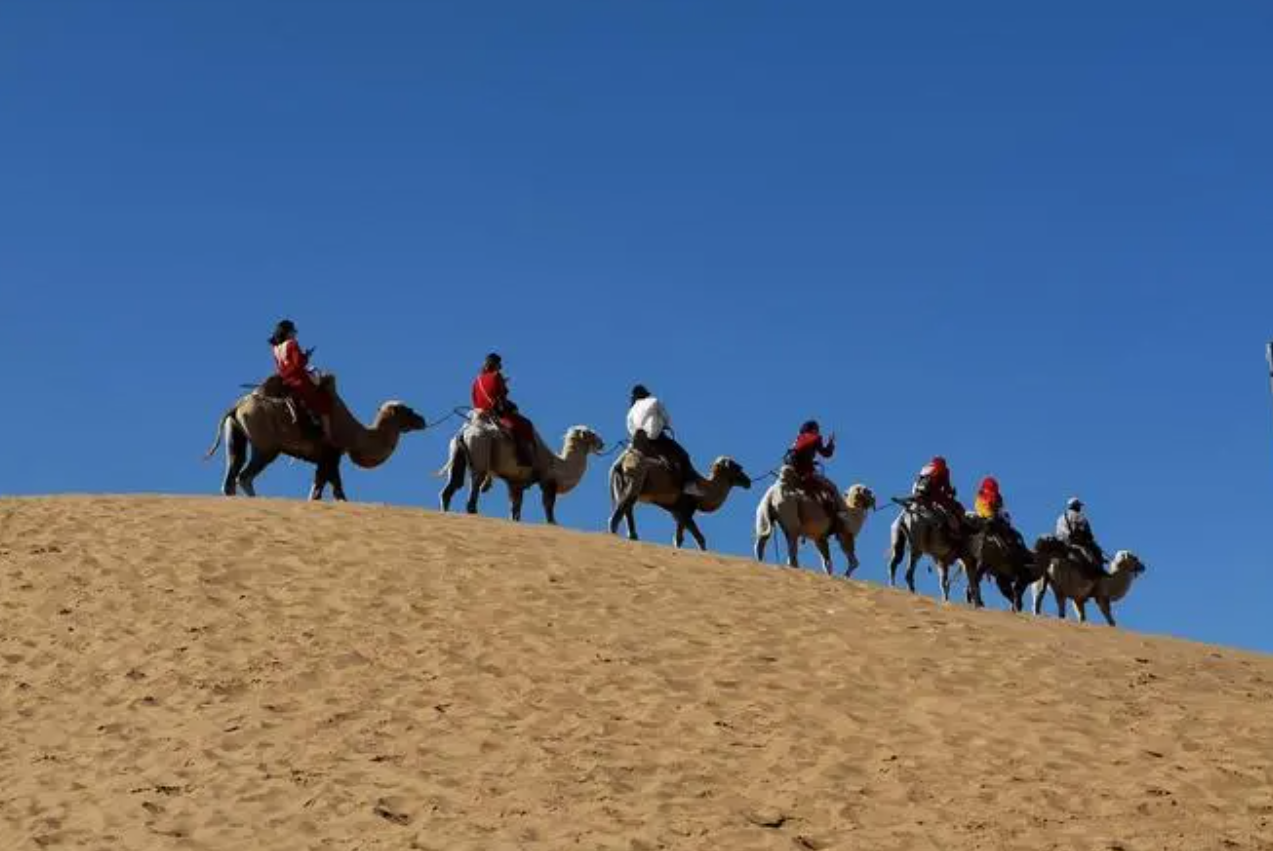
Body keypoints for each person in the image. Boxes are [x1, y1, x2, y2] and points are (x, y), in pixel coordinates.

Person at [626, 385, 704, 496]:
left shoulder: (630, 412)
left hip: (638, 442)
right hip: (655, 437)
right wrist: (667, 425)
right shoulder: (653, 401)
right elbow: (666, 417)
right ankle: (689, 485)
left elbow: (630, 428)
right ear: (645, 394)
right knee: (683, 455)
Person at [471, 352, 539, 471]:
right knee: (524, 425)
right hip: (496, 414)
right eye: (499, 364)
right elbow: (502, 397)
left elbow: (474, 399)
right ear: (496, 365)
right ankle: (523, 458)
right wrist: (512, 406)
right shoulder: (497, 376)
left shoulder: (477, 380)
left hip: (480, 414)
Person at [269, 319, 333, 442]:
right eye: (294, 331)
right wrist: (306, 357)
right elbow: (298, 364)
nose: (295, 333)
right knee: (325, 401)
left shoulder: (275, 348)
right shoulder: (292, 343)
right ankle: (328, 436)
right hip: (298, 380)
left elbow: (279, 367)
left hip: (284, 380)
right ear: (288, 333)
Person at [784, 420, 842, 515]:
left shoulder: (799, 438)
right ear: (813, 429)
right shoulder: (816, 437)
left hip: (789, 465)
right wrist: (831, 442)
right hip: (803, 468)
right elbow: (826, 453)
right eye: (817, 429)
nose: (819, 431)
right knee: (824, 486)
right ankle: (828, 509)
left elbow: (797, 452)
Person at [911, 456, 964, 536]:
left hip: (927, 494)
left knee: (951, 508)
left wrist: (950, 492)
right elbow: (945, 487)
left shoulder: (928, 470)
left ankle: (953, 529)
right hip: (932, 495)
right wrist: (950, 493)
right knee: (952, 510)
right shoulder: (937, 471)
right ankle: (955, 532)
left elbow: (946, 486)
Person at [975, 476, 1027, 550]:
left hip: (995, 520)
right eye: (989, 489)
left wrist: (1002, 516)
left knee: (1014, 536)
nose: (990, 492)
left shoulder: (996, 497)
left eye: (993, 489)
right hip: (988, 520)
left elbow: (1000, 511)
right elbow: (982, 509)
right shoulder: (981, 496)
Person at [1056, 497, 1105, 569]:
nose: (1080, 508)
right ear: (1076, 506)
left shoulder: (1060, 518)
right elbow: (1088, 534)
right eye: (1079, 506)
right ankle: (1099, 570)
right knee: (1097, 550)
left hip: (1062, 543)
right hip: (1076, 543)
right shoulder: (1080, 517)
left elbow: (1057, 532)